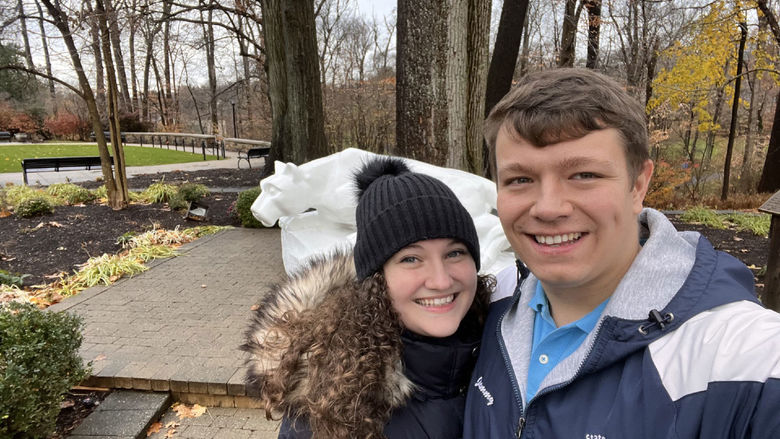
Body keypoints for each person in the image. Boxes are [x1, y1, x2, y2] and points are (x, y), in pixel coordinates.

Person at [463, 68, 780, 438]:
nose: (547, 208)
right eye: (520, 180)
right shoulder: (489, 308)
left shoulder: (737, 358)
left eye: (584, 175)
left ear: (638, 185)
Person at [243, 157, 494, 438]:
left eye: (455, 253)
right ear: (376, 279)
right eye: (411, 258)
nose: (441, 280)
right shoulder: (329, 406)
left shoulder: (506, 351)